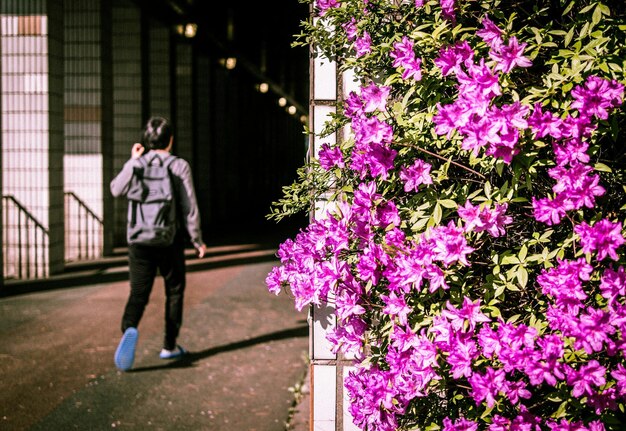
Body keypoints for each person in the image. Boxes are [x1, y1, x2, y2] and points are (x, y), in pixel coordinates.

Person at [110, 116, 207, 371]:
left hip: (139, 241)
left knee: (138, 293)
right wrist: (197, 240)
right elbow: (189, 207)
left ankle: (128, 328)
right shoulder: (179, 166)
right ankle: (169, 345)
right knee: (173, 291)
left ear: (147, 140)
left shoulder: (138, 164)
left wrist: (133, 160)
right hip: (168, 240)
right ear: (170, 140)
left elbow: (115, 189)